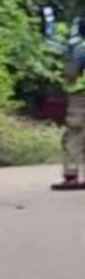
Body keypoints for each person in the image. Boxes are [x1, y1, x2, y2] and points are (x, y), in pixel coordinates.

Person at [53, 17, 85, 190]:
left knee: (74, 134)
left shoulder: (80, 48)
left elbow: (71, 74)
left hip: (81, 96)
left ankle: (72, 176)